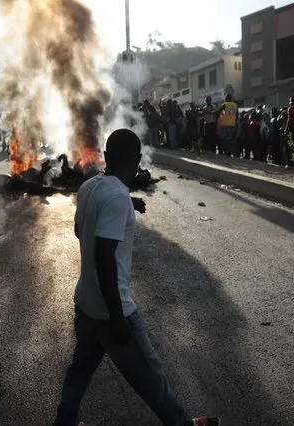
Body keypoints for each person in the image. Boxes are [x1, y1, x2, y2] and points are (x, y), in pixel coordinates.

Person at [54, 129, 219, 426]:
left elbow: (82, 230)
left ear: (106, 157)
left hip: (86, 303)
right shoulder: (116, 197)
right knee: (151, 379)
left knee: (79, 372)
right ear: (139, 160)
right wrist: (117, 317)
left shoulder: (90, 186)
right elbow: (105, 256)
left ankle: (64, 423)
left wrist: (127, 204)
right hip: (111, 310)